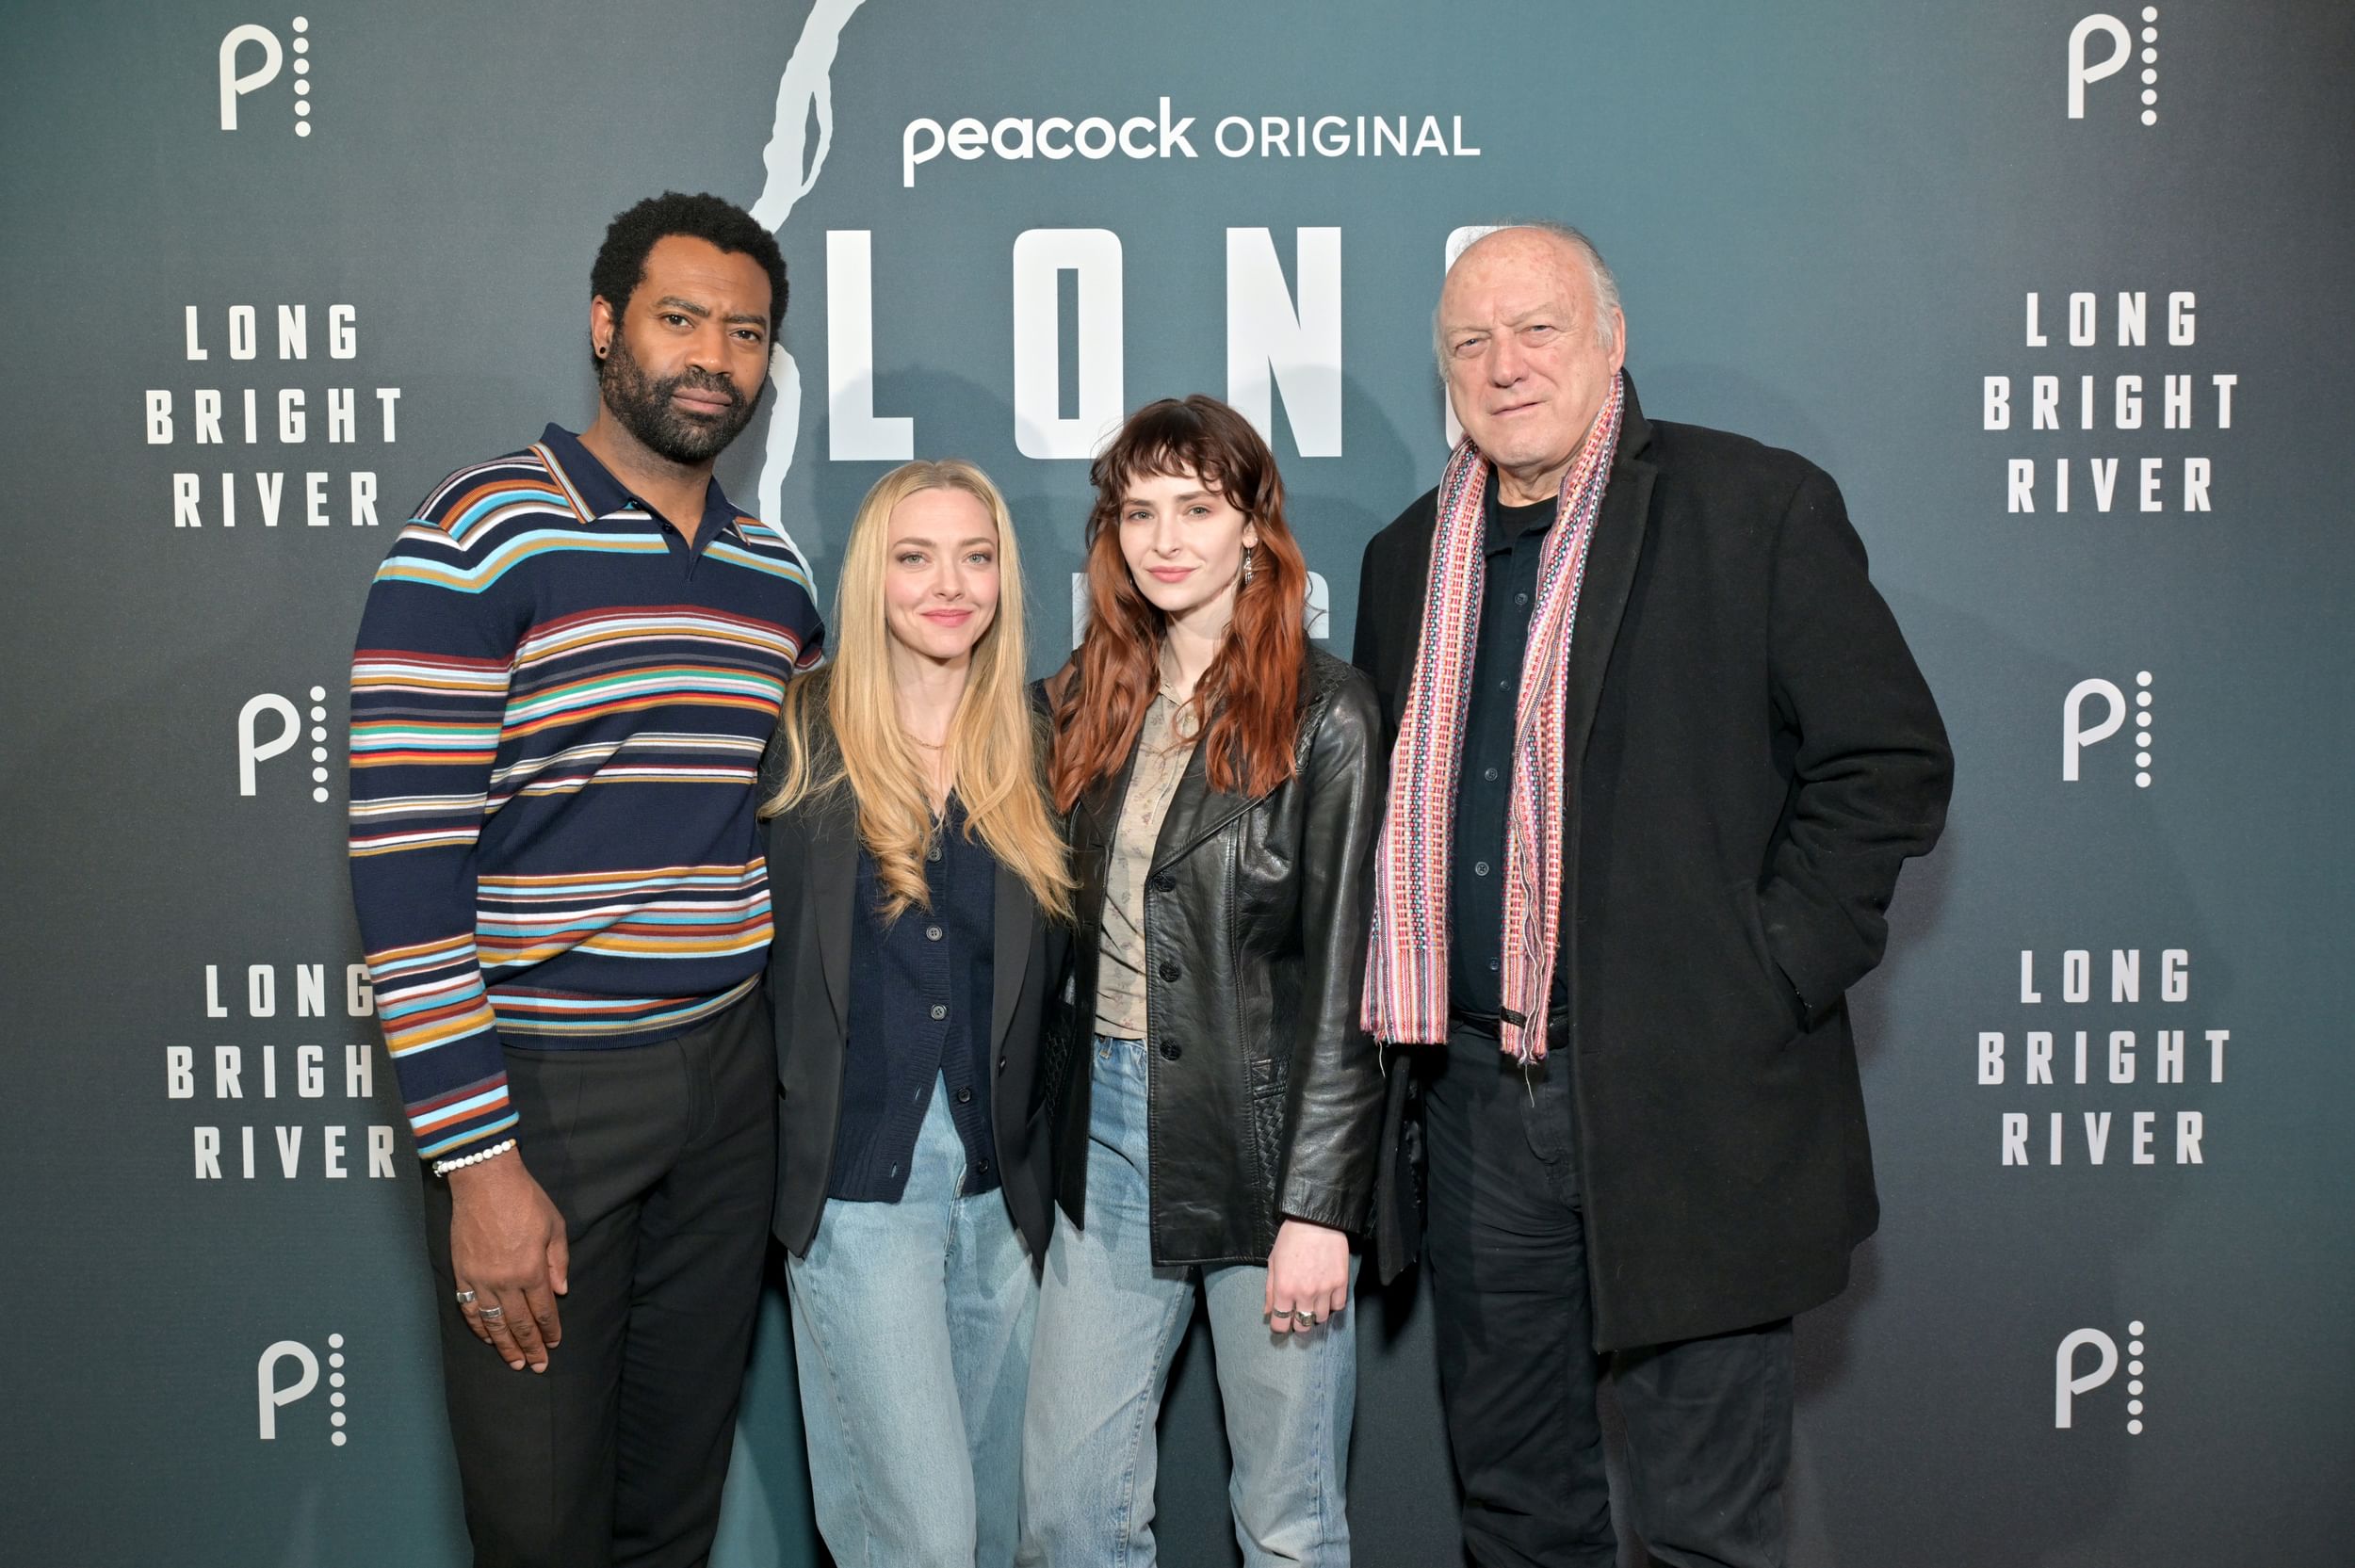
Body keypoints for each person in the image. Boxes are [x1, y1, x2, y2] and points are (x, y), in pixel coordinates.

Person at [1353, 221, 1954, 1568]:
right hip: (1474, 1105)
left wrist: (1767, 968)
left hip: (1695, 1099)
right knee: (1517, 1511)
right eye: (1470, 342)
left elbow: (1889, 761)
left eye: (1539, 329)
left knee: (1702, 1531)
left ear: (1612, 341)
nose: (1505, 366)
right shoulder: (1407, 563)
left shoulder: (1754, 508)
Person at [347, 191, 822, 1568]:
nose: (712, 359)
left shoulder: (772, 577)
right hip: (544, 1094)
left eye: (745, 333)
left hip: (727, 1087)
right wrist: (478, 1163)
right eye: (680, 320)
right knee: (541, 1525)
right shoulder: (481, 534)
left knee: (669, 1512)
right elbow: (403, 870)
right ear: (606, 325)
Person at [1020, 396, 1387, 1566]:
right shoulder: (1086, 698)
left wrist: (1318, 1208)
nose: (1166, 537)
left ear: (1252, 528)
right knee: (1069, 1516)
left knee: (1286, 1522)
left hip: (1266, 1145)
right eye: (1139, 511)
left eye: (1197, 506)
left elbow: (1347, 982)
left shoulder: (1327, 712)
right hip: (1111, 1141)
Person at [757, 460, 1072, 1566]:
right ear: (870, 578)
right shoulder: (799, 734)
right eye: (916, 556)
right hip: (858, 1195)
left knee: (996, 1532)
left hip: (1002, 1200)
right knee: (923, 1542)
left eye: (975, 556)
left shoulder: (1039, 743)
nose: (951, 584)